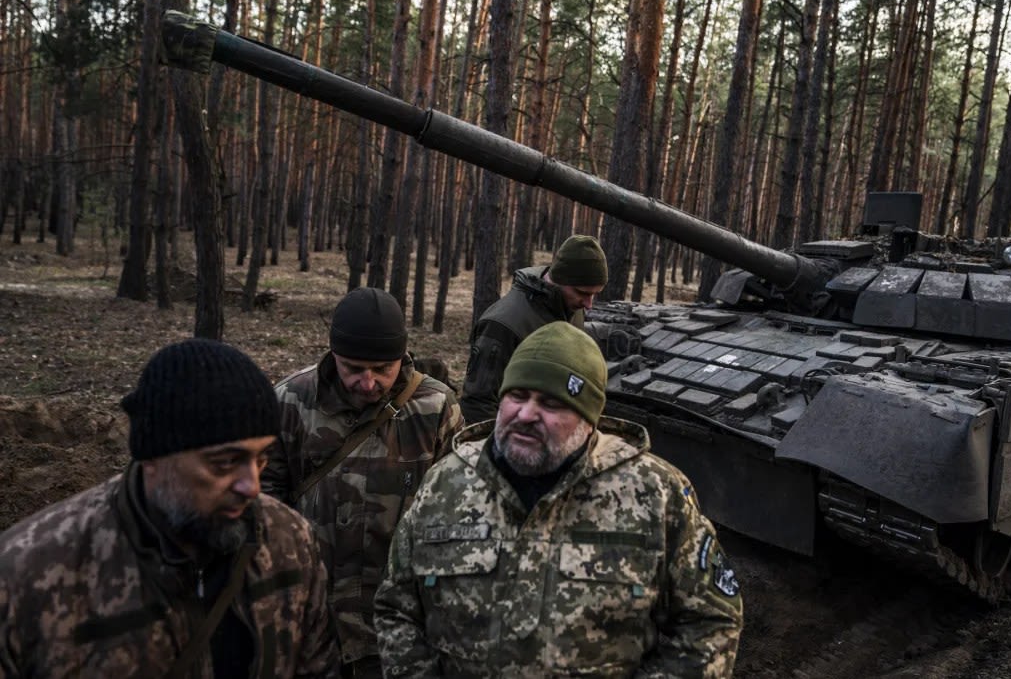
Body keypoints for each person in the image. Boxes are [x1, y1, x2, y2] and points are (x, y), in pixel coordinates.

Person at [375, 322, 744, 677]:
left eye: (551, 403)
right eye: (517, 396)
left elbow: (711, 621)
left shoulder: (654, 493)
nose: (526, 414)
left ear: (589, 420)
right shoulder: (446, 483)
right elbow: (397, 607)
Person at [0, 338, 340, 678]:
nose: (251, 486)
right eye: (223, 464)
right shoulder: (29, 576)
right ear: (154, 456)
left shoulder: (289, 541)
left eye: (261, 458)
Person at [262, 287, 464, 677]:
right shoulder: (289, 401)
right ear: (332, 355)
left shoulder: (436, 407)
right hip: (311, 614)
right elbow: (266, 503)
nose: (368, 383)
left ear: (402, 357)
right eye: (353, 368)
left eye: (382, 370)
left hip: (396, 619)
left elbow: (454, 510)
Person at [459, 234, 608, 423]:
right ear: (558, 279)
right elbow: (478, 405)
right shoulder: (503, 324)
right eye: (582, 293)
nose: (589, 304)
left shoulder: (570, 306)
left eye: (595, 294)